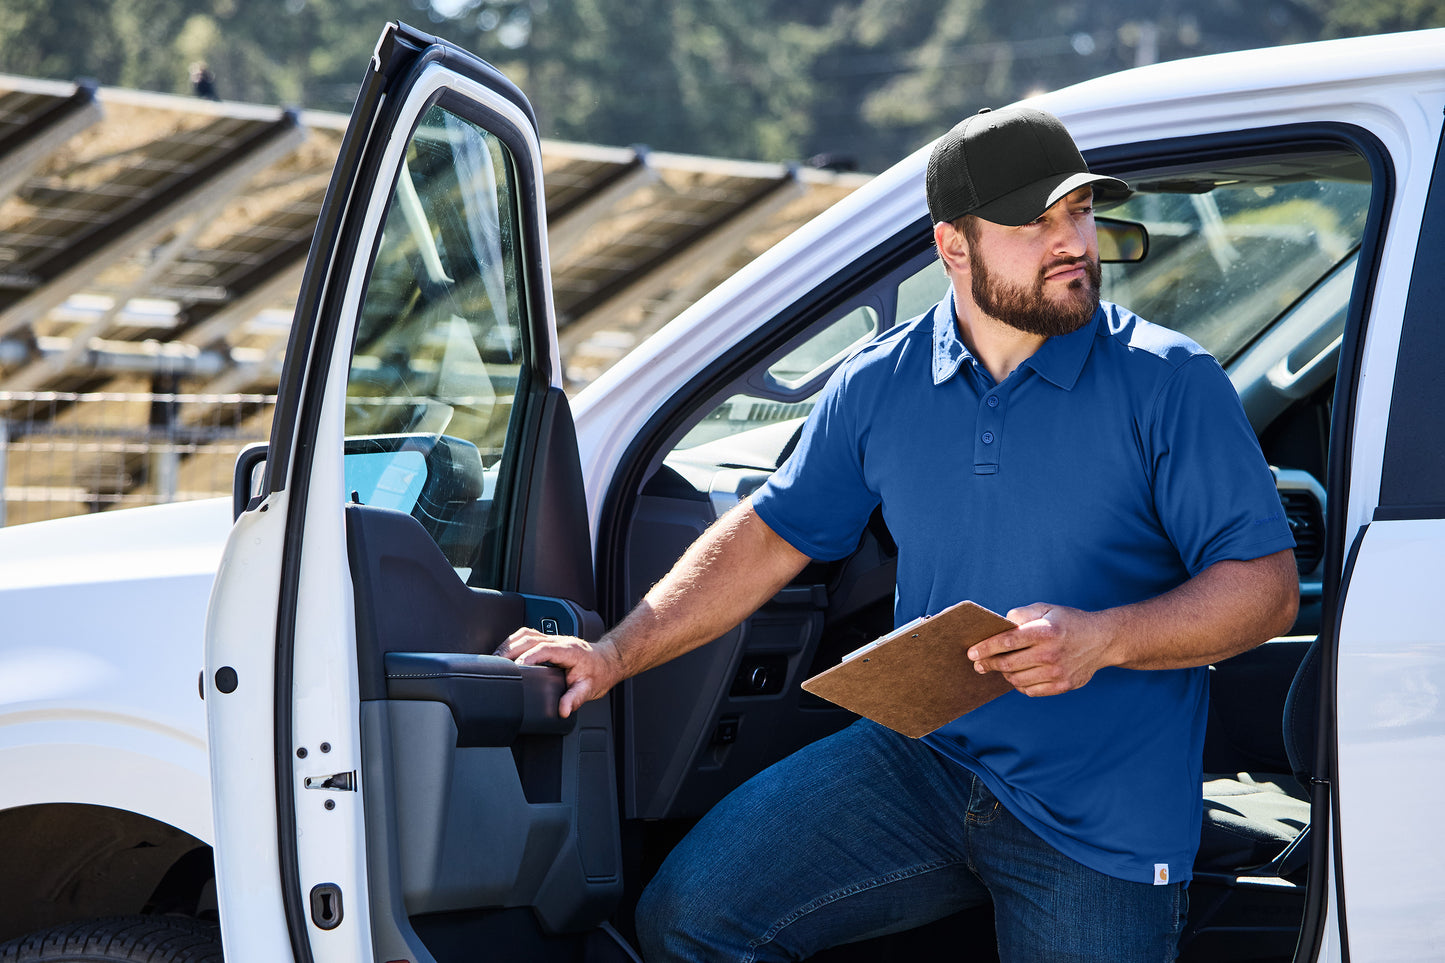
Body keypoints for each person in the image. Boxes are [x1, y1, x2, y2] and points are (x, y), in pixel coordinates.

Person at [499, 106, 1299, 962]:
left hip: (1099, 809)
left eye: (1078, 211)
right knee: (691, 918)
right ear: (952, 246)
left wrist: (1102, 638)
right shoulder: (879, 384)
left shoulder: (1170, 382)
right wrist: (614, 655)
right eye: (1033, 220)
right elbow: (771, 534)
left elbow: (1265, 587)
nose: (1071, 241)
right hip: (918, 759)